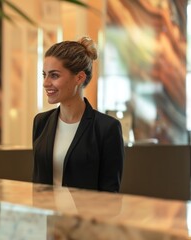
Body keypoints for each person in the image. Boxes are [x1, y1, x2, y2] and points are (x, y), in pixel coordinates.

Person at [32, 36, 124, 192]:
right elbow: (37, 182)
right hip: (47, 215)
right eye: (44, 74)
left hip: (86, 216)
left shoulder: (107, 129)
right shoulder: (41, 122)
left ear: (80, 77)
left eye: (54, 75)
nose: (46, 83)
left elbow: (110, 194)